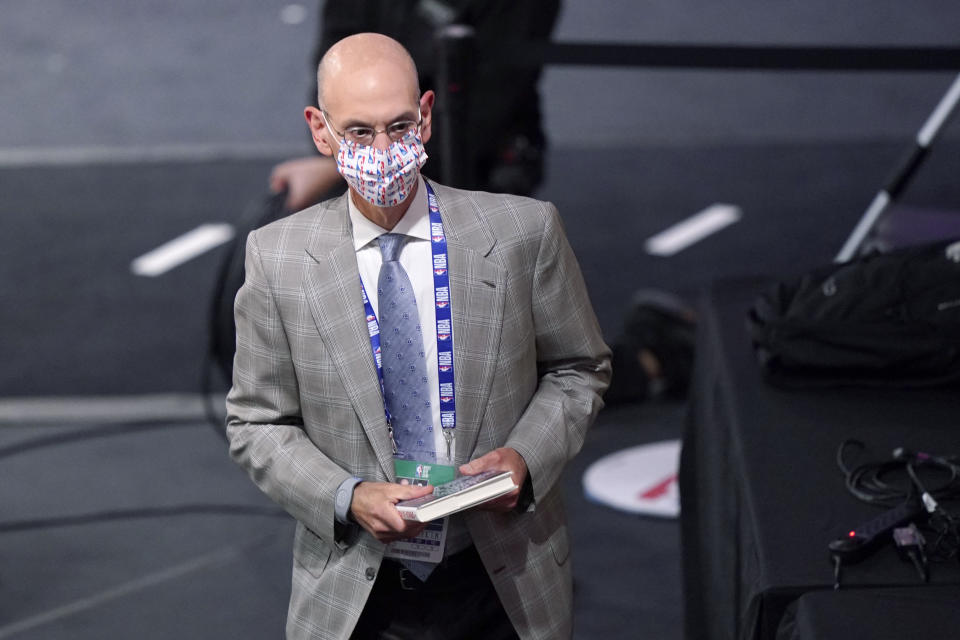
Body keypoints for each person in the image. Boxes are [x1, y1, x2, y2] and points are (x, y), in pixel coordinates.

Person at [226, 33, 610, 640]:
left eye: (399, 126)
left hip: (502, 583)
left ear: (426, 117)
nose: (383, 151)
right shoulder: (279, 260)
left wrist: (527, 458)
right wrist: (346, 496)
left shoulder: (521, 233)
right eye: (358, 132)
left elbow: (578, 368)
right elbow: (257, 424)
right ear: (320, 132)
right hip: (360, 594)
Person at [269, 0, 560, 211]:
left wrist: (340, 168)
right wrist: (341, 155)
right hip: (357, 155)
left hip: (471, 164)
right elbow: (335, 60)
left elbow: (485, 112)